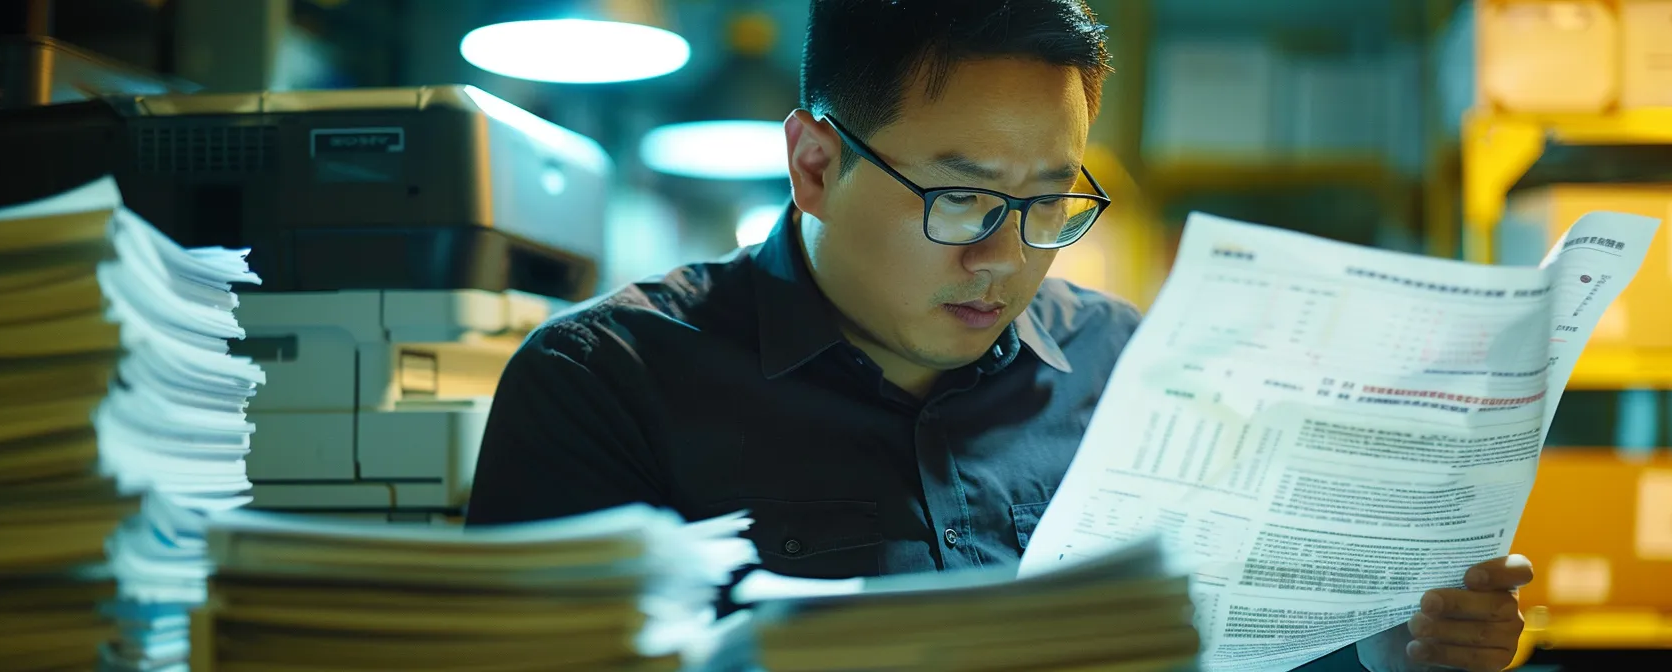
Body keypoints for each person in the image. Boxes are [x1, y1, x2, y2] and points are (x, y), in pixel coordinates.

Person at [466, 1, 1533, 669]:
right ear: (815, 167)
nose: (1007, 258)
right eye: (964, 201)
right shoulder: (604, 384)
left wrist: (1392, 656)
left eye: (1050, 202)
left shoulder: (1132, 367)